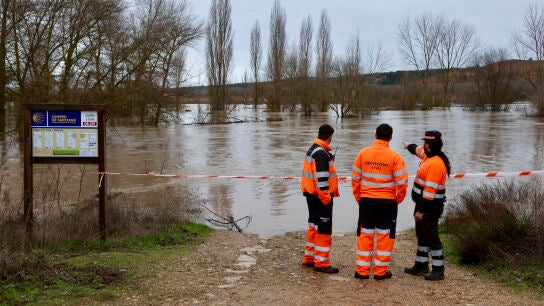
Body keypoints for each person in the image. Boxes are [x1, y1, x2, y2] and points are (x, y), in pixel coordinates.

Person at [351, 123, 408, 280]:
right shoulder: (395, 157)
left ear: (375, 135)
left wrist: (359, 197)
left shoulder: (362, 154)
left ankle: (362, 272)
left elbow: (355, 179)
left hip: (366, 201)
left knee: (365, 235)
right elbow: (402, 183)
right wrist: (398, 199)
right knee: (385, 237)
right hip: (387, 202)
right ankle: (380, 272)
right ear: (390, 138)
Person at [403, 130, 451, 281]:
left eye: (425, 142)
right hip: (423, 204)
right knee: (422, 236)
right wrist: (408, 145)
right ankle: (421, 265)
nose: (423, 145)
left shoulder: (435, 164)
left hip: (430, 207)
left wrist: (421, 211)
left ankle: (438, 270)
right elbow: (417, 149)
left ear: (429, 145)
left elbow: (429, 193)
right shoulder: (427, 155)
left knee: (432, 237)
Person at [300, 124, 340, 274]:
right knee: (323, 228)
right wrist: (326, 199)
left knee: (314, 226)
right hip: (320, 197)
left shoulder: (313, 149)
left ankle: (309, 257)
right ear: (330, 137)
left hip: (311, 195)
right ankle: (321, 263)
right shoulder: (322, 154)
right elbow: (322, 180)